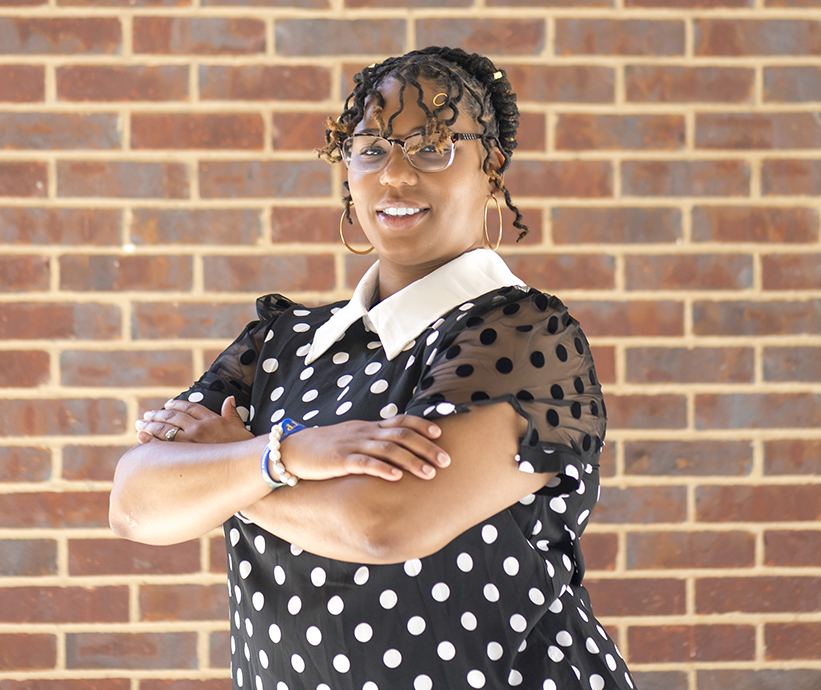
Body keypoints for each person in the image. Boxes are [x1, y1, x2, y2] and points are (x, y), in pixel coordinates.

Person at [109, 46, 635, 690]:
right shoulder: (281, 342)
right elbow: (136, 505)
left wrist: (235, 469)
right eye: (371, 149)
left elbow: (383, 524)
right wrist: (288, 456)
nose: (395, 177)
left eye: (432, 146)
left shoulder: (525, 336)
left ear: (490, 168)